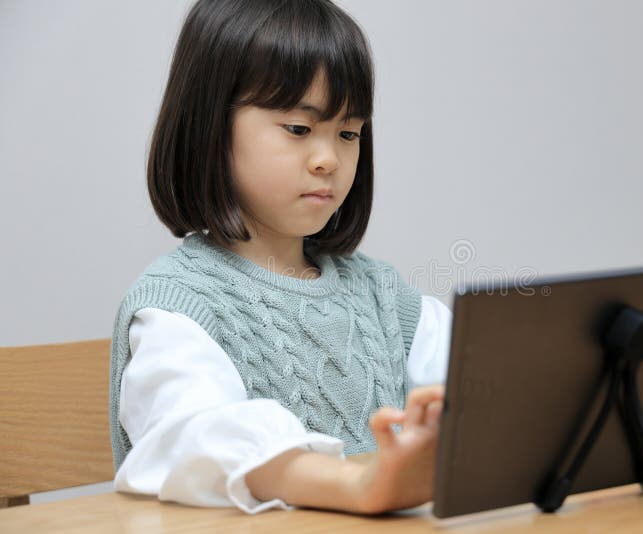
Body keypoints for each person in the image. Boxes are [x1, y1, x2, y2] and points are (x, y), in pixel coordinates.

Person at [108, 0, 452, 516]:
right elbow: (195, 438)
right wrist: (360, 487)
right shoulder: (177, 311)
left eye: (349, 133)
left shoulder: (387, 300)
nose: (328, 159)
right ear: (210, 127)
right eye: (298, 128)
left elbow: (476, 386)